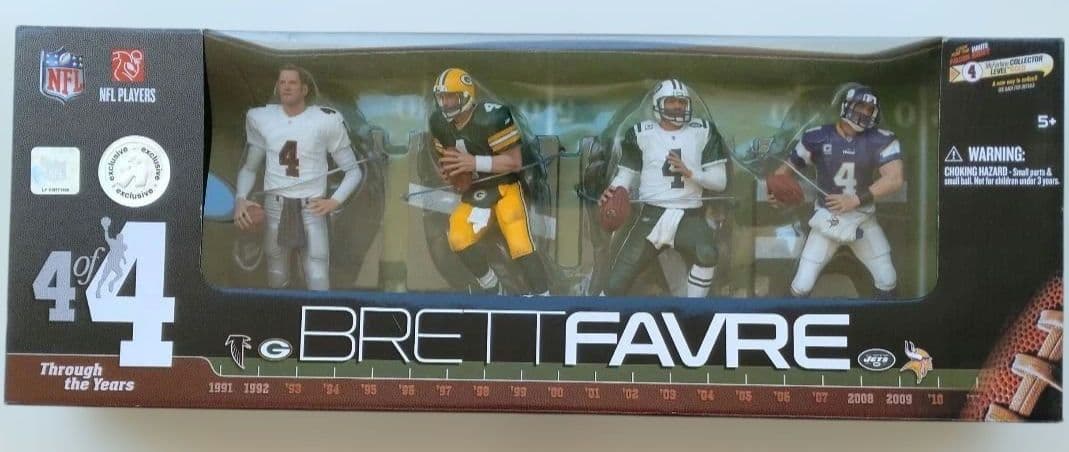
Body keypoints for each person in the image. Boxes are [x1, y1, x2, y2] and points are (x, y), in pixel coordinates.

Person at [232, 64, 363, 290]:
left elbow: (353, 171)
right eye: (282, 82)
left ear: (304, 89)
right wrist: (241, 198)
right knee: (275, 273)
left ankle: (319, 312)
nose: (286, 87)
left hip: (312, 207)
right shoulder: (262, 118)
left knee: (318, 274)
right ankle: (279, 312)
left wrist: (334, 201)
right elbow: (249, 168)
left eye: (292, 82)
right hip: (275, 206)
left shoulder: (325, 120)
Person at [769, 85, 904, 298]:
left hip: (862, 218)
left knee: (887, 278)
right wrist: (776, 191)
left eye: (870, 109)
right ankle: (791, 316)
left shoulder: (880, 139)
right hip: (827, 219)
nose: (865, 113)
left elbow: (894, 178)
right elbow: (784, 171)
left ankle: (887, 318)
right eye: (860, 106)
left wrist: (855, 200)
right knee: (802, 284)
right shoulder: (817, 137)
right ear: (845, 106)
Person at [598, 79, 729, 297]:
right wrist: (612, 193)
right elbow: (626, 175)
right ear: (658, 104)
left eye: (682, 102)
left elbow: (719, 181)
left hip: (689, 215)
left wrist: (691, 173)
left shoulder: (703, 131)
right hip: (652, 216)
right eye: (671, 101)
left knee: (707, 253)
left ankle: (693, 310)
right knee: (615, 284)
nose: (678, 106)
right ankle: (598, 312)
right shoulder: (641, 133)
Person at [428, 67, 549, 296]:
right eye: (441, 97)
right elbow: (448, 161)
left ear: (466, 96)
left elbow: (514, 162)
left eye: (451, 97)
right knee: (458, 236)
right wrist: (450, 173)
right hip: (477, 191)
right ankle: (491, 285)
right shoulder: (438, 122)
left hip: (506, 186)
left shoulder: (492, 117)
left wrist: (473, 163)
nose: (445, 103)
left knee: (520, 243)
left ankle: (544, 298)